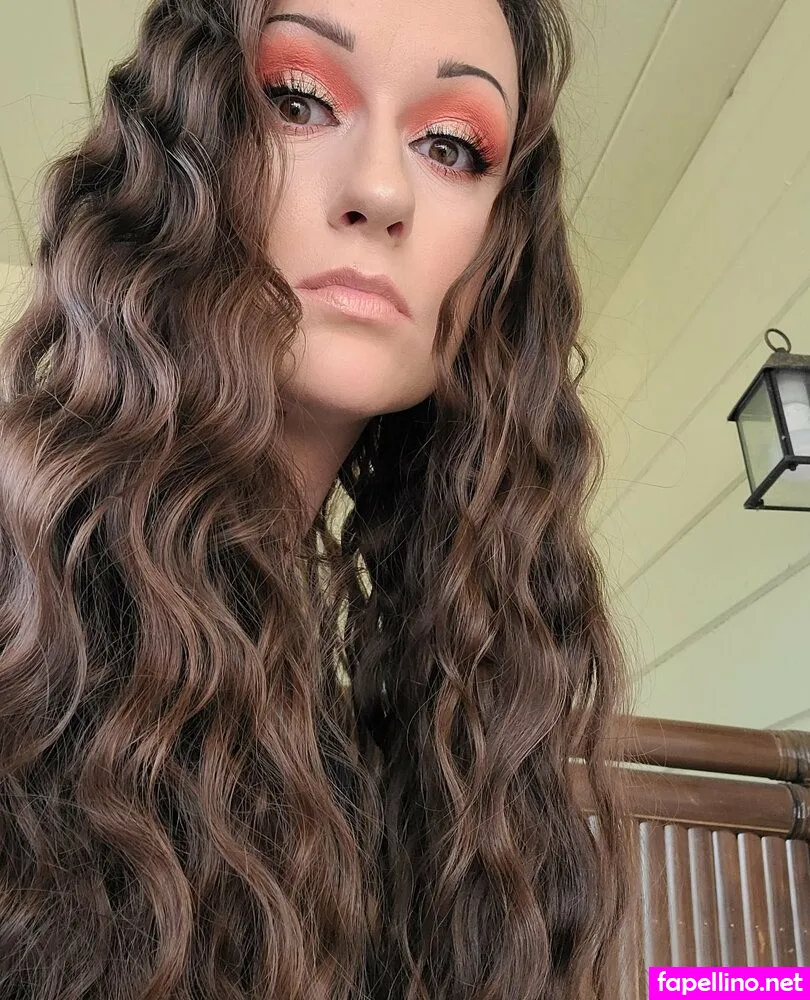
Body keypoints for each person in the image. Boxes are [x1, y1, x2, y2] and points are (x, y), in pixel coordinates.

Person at [0, 0, 633, 997]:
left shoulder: (409, 750)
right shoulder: (21, 626)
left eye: (452, 147)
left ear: (497, 257)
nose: (380, 190)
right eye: (296, 100)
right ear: (179, 156)